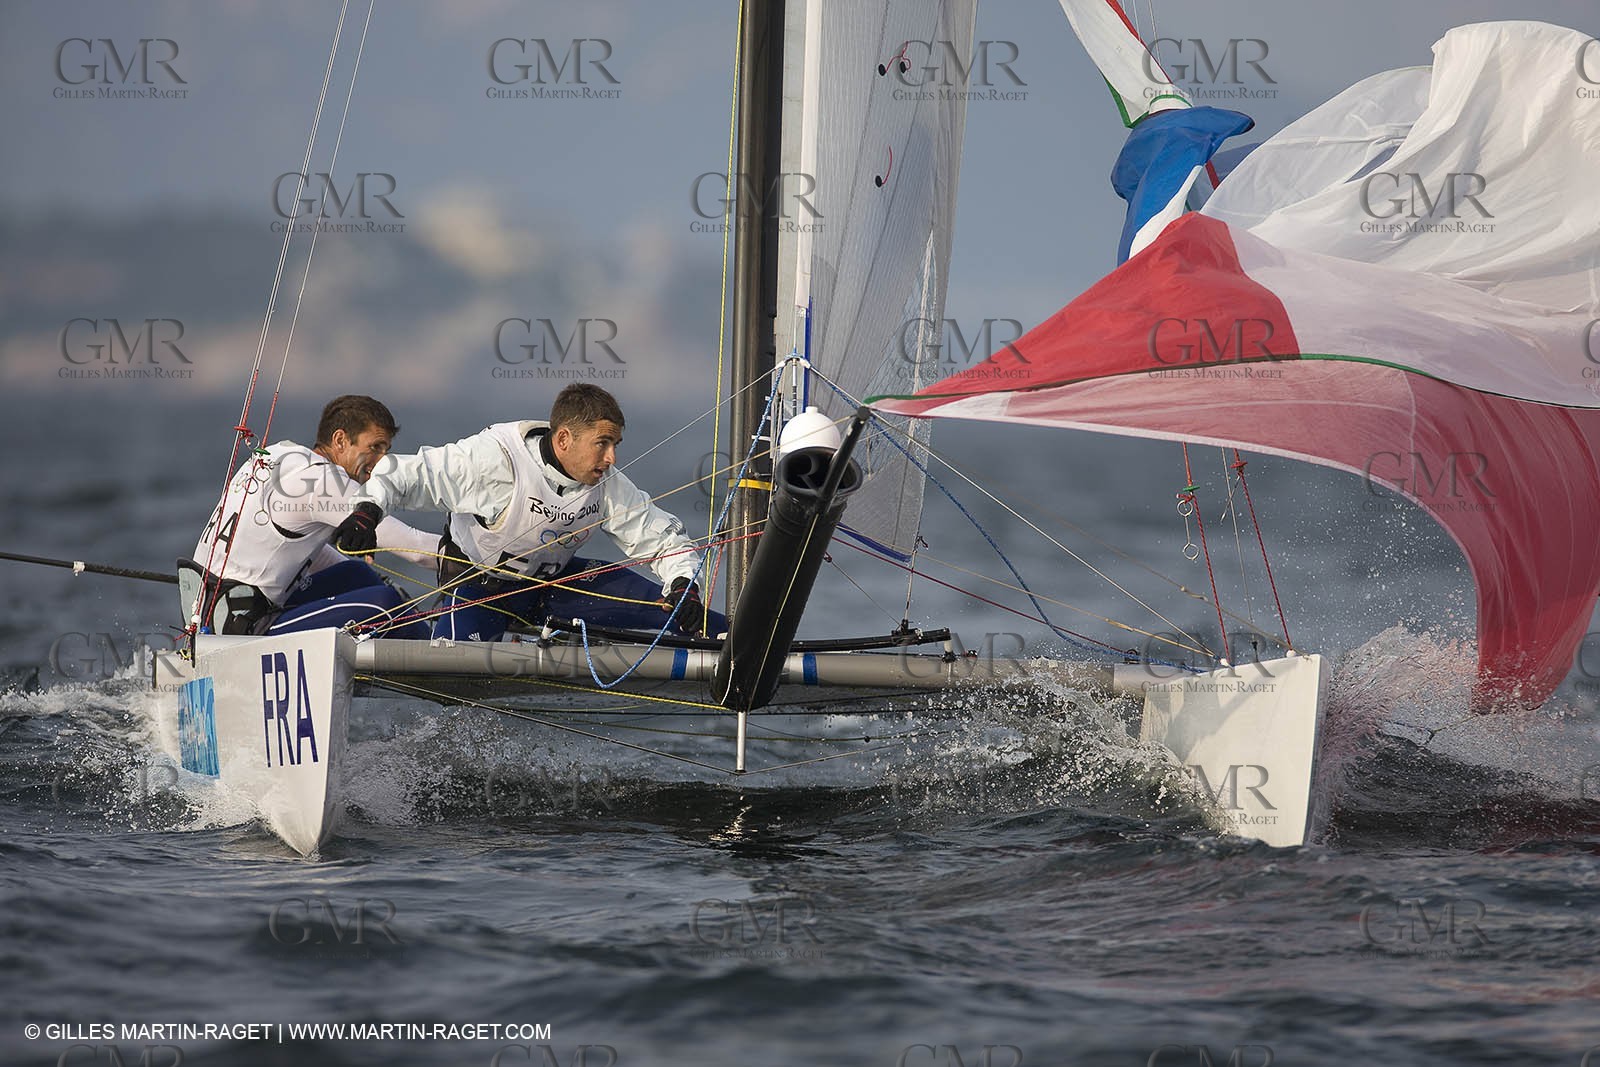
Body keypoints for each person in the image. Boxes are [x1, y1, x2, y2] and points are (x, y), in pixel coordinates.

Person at [357, 384, 724, 641]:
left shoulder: (607, 481)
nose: (612, 458)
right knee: (450, 693)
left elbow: (662, 539)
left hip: (554, 587)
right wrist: (367, 513)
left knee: (682, 615)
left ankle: (759, 648)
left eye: (615, 444)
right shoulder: (495, 460)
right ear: (564, 439)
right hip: (478, 590)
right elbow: (405, 474)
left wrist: (685, 586)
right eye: (603, 444)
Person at [182, 395, 434, 637]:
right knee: (385, 603)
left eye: (386, 450)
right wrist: (468, 558)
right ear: (340, 440)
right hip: (243, 629)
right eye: (375, 448)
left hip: (204, 614)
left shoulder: (277, 454)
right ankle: (438, 664)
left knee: (358, 575)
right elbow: (416, 548)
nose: (382, 462)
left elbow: (299, 546)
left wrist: (369, 581)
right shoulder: (323, 482)